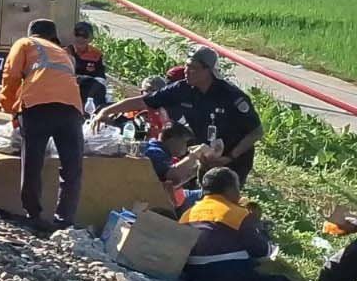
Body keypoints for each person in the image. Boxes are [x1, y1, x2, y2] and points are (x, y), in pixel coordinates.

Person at [95, 46, 262, 186]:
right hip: (205, 155)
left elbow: (256, 131)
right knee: (204, 195)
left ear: (208, 71)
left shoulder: (231, 96)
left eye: (193, 68)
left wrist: (230, 156)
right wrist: (106, 111)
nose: (187, 71)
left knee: (225, 200)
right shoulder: (183, 89)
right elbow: (145, 101)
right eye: (186, 66)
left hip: (234, 158)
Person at [180, 168, 315, 281]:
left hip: (193, 276)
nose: (239, 193)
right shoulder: (236, 214)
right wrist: (261, 231)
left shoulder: (188, 213)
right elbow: (261, 251)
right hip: (225, 280)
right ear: (230, 189)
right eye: (238, 187)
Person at [0, 19, 85, 233]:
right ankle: (64, 220)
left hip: (37, 107)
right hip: (71, 108)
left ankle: (34, 215)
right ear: (53, 37)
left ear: (32, 33)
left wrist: (10, 109)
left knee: (33, 162)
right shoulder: (64, 53)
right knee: (72, 167)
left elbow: (10, 76)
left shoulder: (25, 43)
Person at [142, 123, 204, 212]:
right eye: (185, 142)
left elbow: (175, 181)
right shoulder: (155, 152)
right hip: (160, 203)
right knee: (207, 196)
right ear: (172, 140)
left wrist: (199, 166)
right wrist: (194, 155)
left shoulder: (161, 151)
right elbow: (172, 177)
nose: (187, 147)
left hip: (174, 197)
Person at [68, 21, 108, 107]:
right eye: (77, 34)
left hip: (89, 91)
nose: (80, 38)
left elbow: (101, 77)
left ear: (91, 38)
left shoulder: (96, 54)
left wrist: (91, 96)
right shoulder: (64, 53)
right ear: (72, 36)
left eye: (85, 35)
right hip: (70, 89)